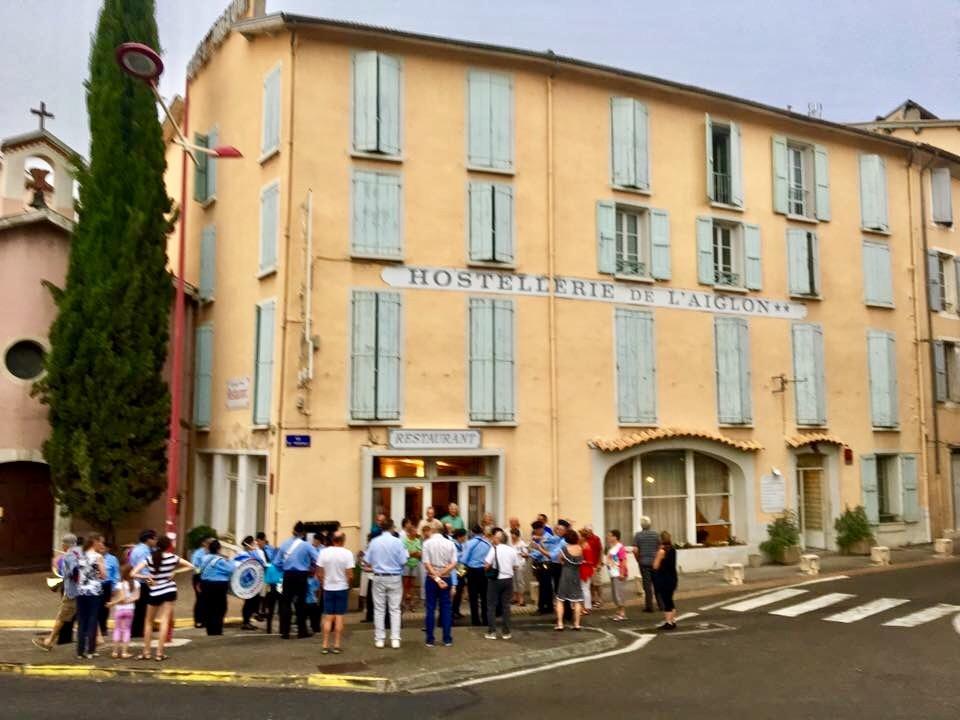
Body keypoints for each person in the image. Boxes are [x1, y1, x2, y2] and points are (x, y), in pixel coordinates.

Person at [132, 535, 192, 661]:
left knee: (148, 622)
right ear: (169, 546)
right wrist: (175, 572)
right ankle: (159, 653)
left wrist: (147, 577)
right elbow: (190, 566)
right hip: (169, 590)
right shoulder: (173, 557)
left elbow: (133, 573)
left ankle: (146, 652)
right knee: (165, 621)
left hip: (154, 591)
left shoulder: (150, 558)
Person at [33, 534, 82, 652]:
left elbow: (74, 571)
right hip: (84, 591)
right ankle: (97, 639)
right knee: (86, 615)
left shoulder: (69, 556)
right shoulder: (81, 551)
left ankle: (49, 641)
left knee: (62, 617)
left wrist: (67, 577)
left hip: (72, 592)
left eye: (62, 544)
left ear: (65, 545)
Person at [364, 519, 408, 649]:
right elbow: (403, 560)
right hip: (394, 577)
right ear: (392, 528)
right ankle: (395, 638)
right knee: (395, 609)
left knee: (379, 609)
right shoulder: (398, 542)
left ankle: (380, 639)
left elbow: (367, 560)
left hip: (378, 576)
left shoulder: (374, 542)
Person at [275, 521, 318, 640]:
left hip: (288, 575)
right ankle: (302, 631)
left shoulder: (284, 544)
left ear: (293, 531)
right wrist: (310, 566)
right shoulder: (306, 545)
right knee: (300, 604)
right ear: (303, 532)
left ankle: (284, 632)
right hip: (301, 575)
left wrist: (285, 567)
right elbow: (318, 559)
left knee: (285, 603)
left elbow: (277, 562)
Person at [317, 531, 355, 654]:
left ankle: (325, 644)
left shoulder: (324, 552)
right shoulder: (347, 554)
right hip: (342, 587)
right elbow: (350, 575)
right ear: (343, 540)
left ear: (332, 540)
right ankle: (337, 645)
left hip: (328, 588)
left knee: (328, 617)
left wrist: (323, 583)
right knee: (339, 617)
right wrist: (349, 586)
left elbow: (319, 572)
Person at [421, 521, 458, 648]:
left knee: (430, 608)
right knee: (446, 608)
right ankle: (447, 639)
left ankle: (430, 639)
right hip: (446, 577)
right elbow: (454, 563)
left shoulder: (427, 543)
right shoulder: (450, 543)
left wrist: (436, 576)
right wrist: (442, 574)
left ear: (433, 530)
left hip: (431, 578)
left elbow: (426, 563)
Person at [484, 529, 520, 640]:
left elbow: (486, 565)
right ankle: (506, 632)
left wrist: (488, 570)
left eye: (495, 537)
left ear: (498, 539)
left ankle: (492, 631)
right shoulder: (512, 550)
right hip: (508, 580)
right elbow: (516, 566)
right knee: (506, 606)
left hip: (495, 580)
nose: (493, 539)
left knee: (491, 606)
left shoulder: (493, 549)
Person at [76, 535, 106, 659]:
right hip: (94, 590)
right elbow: (104, 575)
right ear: (95, 542)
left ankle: (80, 651)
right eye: (101, 542)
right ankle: (91, 650)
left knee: (82, 620)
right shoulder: (98, 557)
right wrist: (98, 574)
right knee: (93, 619)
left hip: (81, 590)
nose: (102, 545)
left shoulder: (80, 556)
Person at [198, 540, 233, 636]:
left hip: (206, 584)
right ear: (219, 549)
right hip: (219, 585)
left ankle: (210, 631)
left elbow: (199, 569)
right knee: (220, 608)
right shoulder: (220, 560)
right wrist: (228, 560)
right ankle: (217, 630)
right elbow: (231, 569)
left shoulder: (204, 558)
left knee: (209, 607)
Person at [129, 530, 157, 638]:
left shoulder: (137, 549)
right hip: (144, 583)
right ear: (148, 539)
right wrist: (152, 585)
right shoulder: (144, 552)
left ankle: (137, 630)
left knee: (139, 608)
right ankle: (138, 631)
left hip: (138, 582)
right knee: (143, 608)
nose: (156, 541)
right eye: (154, 539)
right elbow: (145, 571)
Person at [107, 564, 139, 659]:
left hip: (119, 610)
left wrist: (112, 603)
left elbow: (121, 598)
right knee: (126, 630)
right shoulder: (136, 584)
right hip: (130, 610)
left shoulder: (119, 585)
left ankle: (115, 652)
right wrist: (129, 600)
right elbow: (137, 597)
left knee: (117, 630)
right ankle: (125, 652)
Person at [236, 535, 268, 630]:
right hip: (248, 582)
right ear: (249, 544)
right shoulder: (244, 554)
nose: (255, 544)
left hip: (253, 582)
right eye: (253, 543)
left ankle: (247, 621)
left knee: (252, 602)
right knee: (249, 602)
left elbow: (262, 564)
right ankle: (246, 622)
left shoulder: (251, 553)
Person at [554, 529, 584, 631]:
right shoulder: (580, 548)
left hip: (566, 574)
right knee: (577, 600)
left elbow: (560, 559)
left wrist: (564, 564)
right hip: (576, 575)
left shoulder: (564, 548)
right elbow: (580, 561)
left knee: (560, 599)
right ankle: (577, 624)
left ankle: (560, 623)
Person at [462, 525, 491, 626]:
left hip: (472, 572)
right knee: (484, 597)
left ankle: (475, 620)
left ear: (472, 533)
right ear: (481, 532)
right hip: (484, 571)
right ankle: (486, 619)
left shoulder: (469, 544)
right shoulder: (487, 543)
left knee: (473, 597)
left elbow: (464, 560)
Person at [632, 516, 662, 614]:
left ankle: (649, 606)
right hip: (655, 562)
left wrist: (638, 559)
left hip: (644, 562)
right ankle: (661, 605)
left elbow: (635, 550)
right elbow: (660, 547)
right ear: (650, 524)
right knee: (657, 583)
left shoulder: (638, 535)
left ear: (641, 525)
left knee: (647, 585)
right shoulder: (656, 534)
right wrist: (657, 557)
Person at [653, 531, 679, 631]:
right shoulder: (673, 549)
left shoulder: (662, 551)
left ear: (661, 540)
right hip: (672, 577)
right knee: (670, 599)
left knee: (666, 600)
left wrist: (657, 553)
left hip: (664, 578)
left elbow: (655, 565)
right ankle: (673, 620)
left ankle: (668, 622)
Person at [528, 521, 553, 614]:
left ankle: (542, 608)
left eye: (536, 530)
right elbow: (535, 549)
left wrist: (530, 555)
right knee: (544, 586)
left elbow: (541, 551)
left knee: (544, 586)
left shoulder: (547, 537)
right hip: (539, 563)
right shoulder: (538, 537)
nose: (535, 532)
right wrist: (530, 553)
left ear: (541, 529)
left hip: (546, 563)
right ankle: (548, 606)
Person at [98, 541, 120, 641]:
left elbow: (116, 574)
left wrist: (114, 587)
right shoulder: (94, 557)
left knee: (105, 608)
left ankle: (103, 628)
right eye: (100, 547)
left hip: (107, 585)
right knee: (96, 608)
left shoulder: (112, 559)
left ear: (107, 549)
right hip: (96, 585)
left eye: (103, 548)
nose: (101, 549)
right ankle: (96, 628)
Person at [190, 536, 213, 629]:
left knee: (208, 600)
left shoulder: (212, 552)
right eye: (209, 542)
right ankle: (198, 620)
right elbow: (195, 567)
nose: (211, 544)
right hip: (199, 577)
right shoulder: (198, 553)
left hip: (209, 578)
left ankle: (206, 620)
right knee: (200, 599)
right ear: (204, 543)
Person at [606, 530, 628, 622]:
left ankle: (622, 613)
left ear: (615, 537)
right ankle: (618, 612)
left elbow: (623, 560)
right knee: (615, 594)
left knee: (619, 594)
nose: (608, 537)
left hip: (618, 574)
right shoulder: (612, 547)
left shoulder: (620, 547)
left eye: (610, 536)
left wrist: (622, 573)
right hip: (612, 573)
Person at [401, 520, 422, 612]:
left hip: (414, 565)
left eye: (416, 531)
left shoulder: (417, 540)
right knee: (405, 585)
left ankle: (411, 604)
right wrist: (413, 553)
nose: (416, 533)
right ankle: (404, 603)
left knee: (412, 585)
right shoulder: (404, 540)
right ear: (409, 532)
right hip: (406, 565)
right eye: (414, 531)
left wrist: (412, 553)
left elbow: (420, 553)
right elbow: (405, 553)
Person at [582, 525, 604, 609]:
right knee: (590, 585)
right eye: (585, 531)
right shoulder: (584, 539)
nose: (586, 533)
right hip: (588, 566)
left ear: (591, 531)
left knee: (597, 584)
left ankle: (600, 600)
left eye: (587, 531)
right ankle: (593, 599)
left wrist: (599, 563)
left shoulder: (596, 539)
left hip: (595, 565)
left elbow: (601, 550)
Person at [450, 528, 468, 620]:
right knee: (456, 590)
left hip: (461, 569)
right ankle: (452, 611)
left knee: (460, 590)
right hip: (455, 569)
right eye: (464, 536)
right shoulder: (453, 544)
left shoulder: (463, 545)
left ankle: (456, 610)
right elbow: (456, 558)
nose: (465, 538)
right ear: (459, 536)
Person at [508, 527, 529, 606]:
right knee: (513, 582)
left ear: (517, 535)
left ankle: (521, 599)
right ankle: (515, 597)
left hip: (520, 565)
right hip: (512, 565)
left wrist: (520, 554)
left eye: (514, 535)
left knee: (520, 582)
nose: (512, 537)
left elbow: (526, 555)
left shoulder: (522, 544)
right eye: (511, 535)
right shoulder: (510, 543)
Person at [579, 529, 596, 614]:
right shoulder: (583, 545)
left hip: (585, 570)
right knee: (584, 589)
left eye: (580, 536)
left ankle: (586, 607)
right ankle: (584, 607)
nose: (578, 537)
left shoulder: (586, 547)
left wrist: (581, 561)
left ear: (583, 537)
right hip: (583, 569)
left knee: (585, 589)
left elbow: (590, 561)